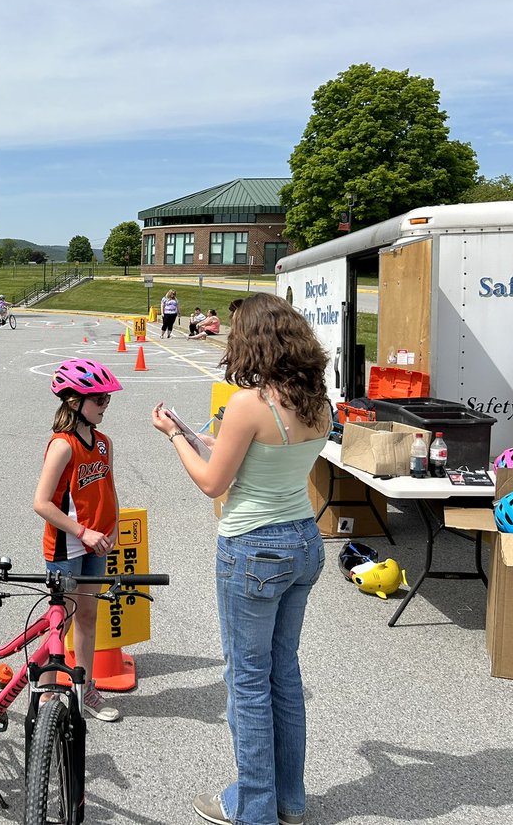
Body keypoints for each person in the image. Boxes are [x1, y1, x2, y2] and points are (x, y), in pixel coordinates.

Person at [150, 292, 330, 825]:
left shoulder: (252, 403)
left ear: (253, 341)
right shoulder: (317, 401)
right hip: (302, 538)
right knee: (284, 675)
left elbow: (213, 483)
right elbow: (264, 456)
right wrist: (200, 435)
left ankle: (253, 807)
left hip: (254, 547)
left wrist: (172, 438)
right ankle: (289, 799)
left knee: (248, 681)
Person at [32, 358, 124, 723]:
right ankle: (48, 696)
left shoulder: (103, 443)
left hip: (97, 544)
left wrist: (112, 529)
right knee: (62, 621)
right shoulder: (63, 445)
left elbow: (109, 489)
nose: (105, 405)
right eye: (99, 398)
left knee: (88, 617)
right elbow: (41, 503)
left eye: (107, 399)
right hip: (66, 546)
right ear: (74, 402)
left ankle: (84, 690)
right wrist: (82, 532)